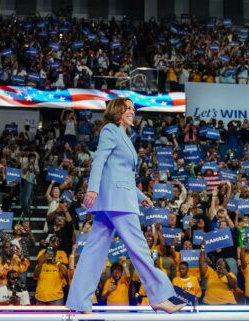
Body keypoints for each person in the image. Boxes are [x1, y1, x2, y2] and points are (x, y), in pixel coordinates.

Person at [66, 98, 185, 313]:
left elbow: (123, 174)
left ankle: (79, 302)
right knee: (139, 249)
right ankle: (158, 297)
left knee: (94, 251)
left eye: (133, 108)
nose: (132, 111)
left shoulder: (125, 136)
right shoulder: (110, 129)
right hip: (117, 201)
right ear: (117, 111)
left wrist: (140, 196)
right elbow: (99, 160)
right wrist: (92, 189)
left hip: (116, 199)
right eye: (128, 108)